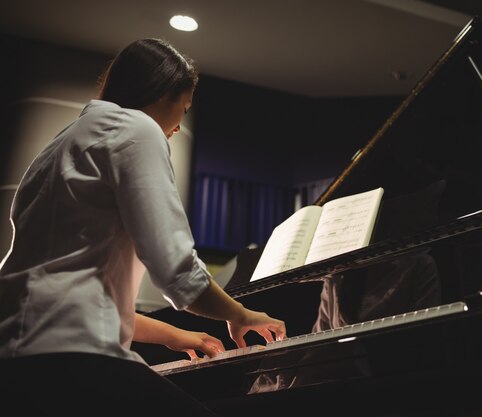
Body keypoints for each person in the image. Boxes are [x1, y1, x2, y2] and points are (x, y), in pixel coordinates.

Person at [0, 38, 286, 416]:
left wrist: (174, 335)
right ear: (162, 95)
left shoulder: (60, 145)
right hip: (72, 363)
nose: (178, 126)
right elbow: (176, 270)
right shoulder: (136, 128)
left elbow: (69, 298)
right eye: (182, 109)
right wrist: (242, 314)